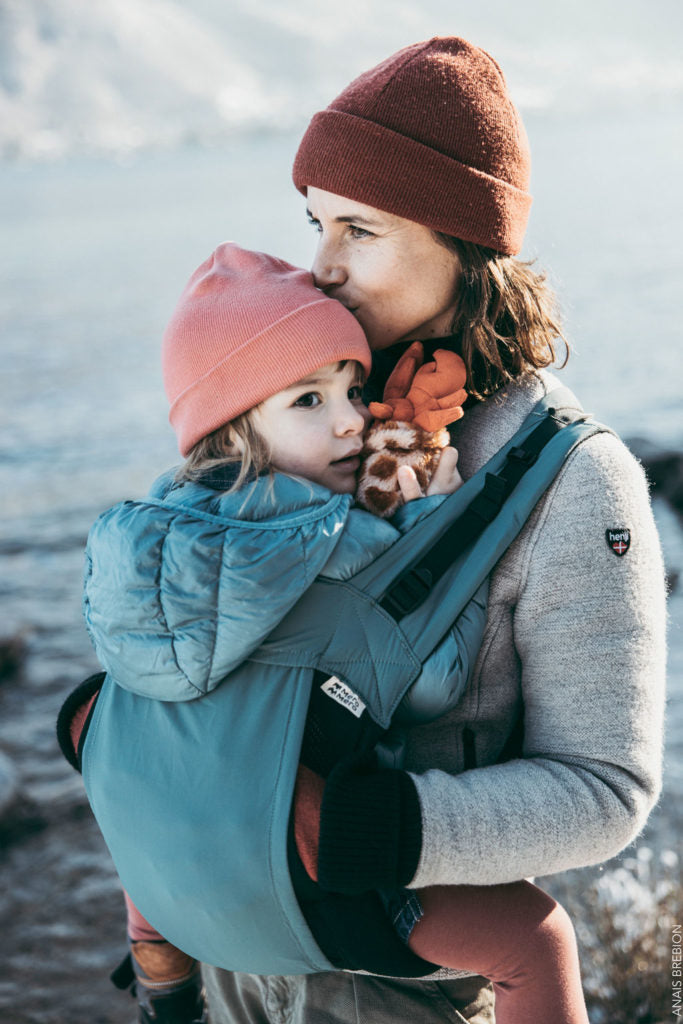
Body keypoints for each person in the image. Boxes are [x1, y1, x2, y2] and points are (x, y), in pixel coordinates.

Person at [199, 35, 667, 1024]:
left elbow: (604, 787)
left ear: (464, 245)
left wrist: (377, 824)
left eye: (358, 231)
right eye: (315, 224)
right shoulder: (305, 414)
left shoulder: (573, 482)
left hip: (393, 983)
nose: (317, 268)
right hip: (233, 967)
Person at [71, 242, 591, 1024]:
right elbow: (435, 683)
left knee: (153, 759)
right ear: (231, 423)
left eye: (351, 387)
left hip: (178, 883)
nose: (353, 420)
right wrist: (428, 512)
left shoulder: (145, 535)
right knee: (535, 942)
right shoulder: (341, 538)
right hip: (302, 888)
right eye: (307, 401)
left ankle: (164, 994)